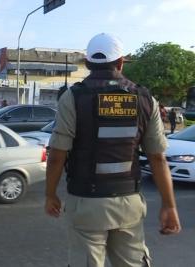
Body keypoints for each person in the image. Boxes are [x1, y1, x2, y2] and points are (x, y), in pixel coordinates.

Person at [45, 33, 181, 267]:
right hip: (128, 204)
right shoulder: (144, 98)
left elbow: (58, 155)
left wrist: (50, 194)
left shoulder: (73, 97)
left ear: (87, 64)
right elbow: (157, 158)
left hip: (86, 202)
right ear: (120, 63)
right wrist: (169, 205)